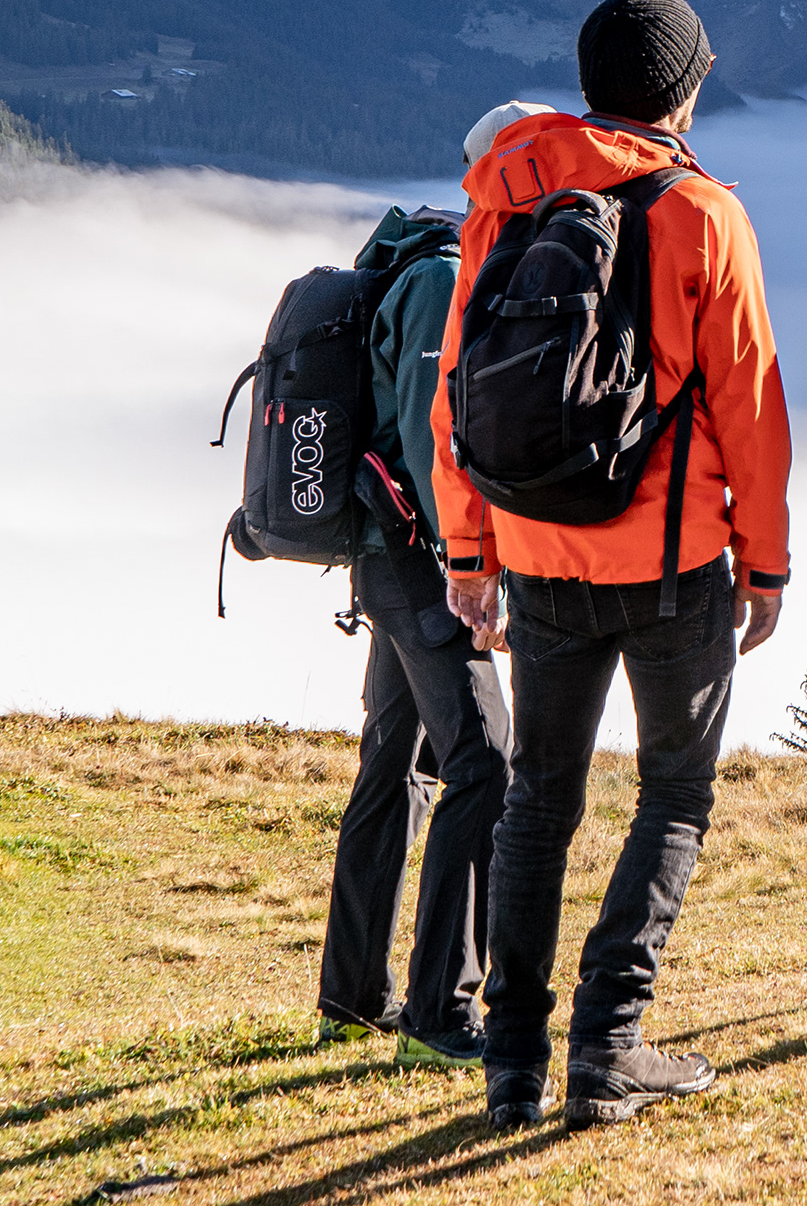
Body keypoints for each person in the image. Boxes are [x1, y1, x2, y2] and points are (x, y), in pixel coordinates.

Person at [434, 0, 791, 1132]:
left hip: (537, 557)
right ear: (686, 88)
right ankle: (609, 1043)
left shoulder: (511, 192)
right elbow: (751, 407)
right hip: (674, 563)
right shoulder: (703, 213)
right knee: (675, 794)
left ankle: (512, 1061)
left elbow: (459, 388)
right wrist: (767, 565)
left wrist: (468, 548)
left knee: (538, 801)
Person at [312, 115, 535, 1061]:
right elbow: (429, 440)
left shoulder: (428, 261)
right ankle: (443, 1014)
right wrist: (470, 569)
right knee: (485, 765)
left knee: (393, 765)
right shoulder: (445, 275)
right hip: (418, 563)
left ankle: (354, 996)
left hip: (388, 557)